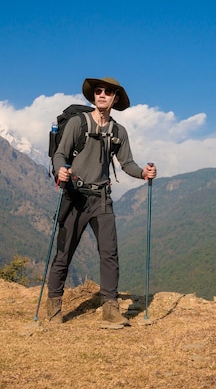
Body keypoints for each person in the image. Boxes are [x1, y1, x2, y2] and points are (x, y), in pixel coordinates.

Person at [47, 77, 157, 325]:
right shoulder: (77, 123)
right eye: (98, 91)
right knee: (64, 253)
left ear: (115, 98)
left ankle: (110, 308)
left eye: (108, 92)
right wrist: (60, 171)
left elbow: (127, 163)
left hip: (102, 199)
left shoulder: (118, 132)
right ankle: (54, 308)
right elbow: (61, 154)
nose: (102, 95)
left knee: (109, 253)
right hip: (74, 196)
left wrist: (143, 173)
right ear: (93, 95)